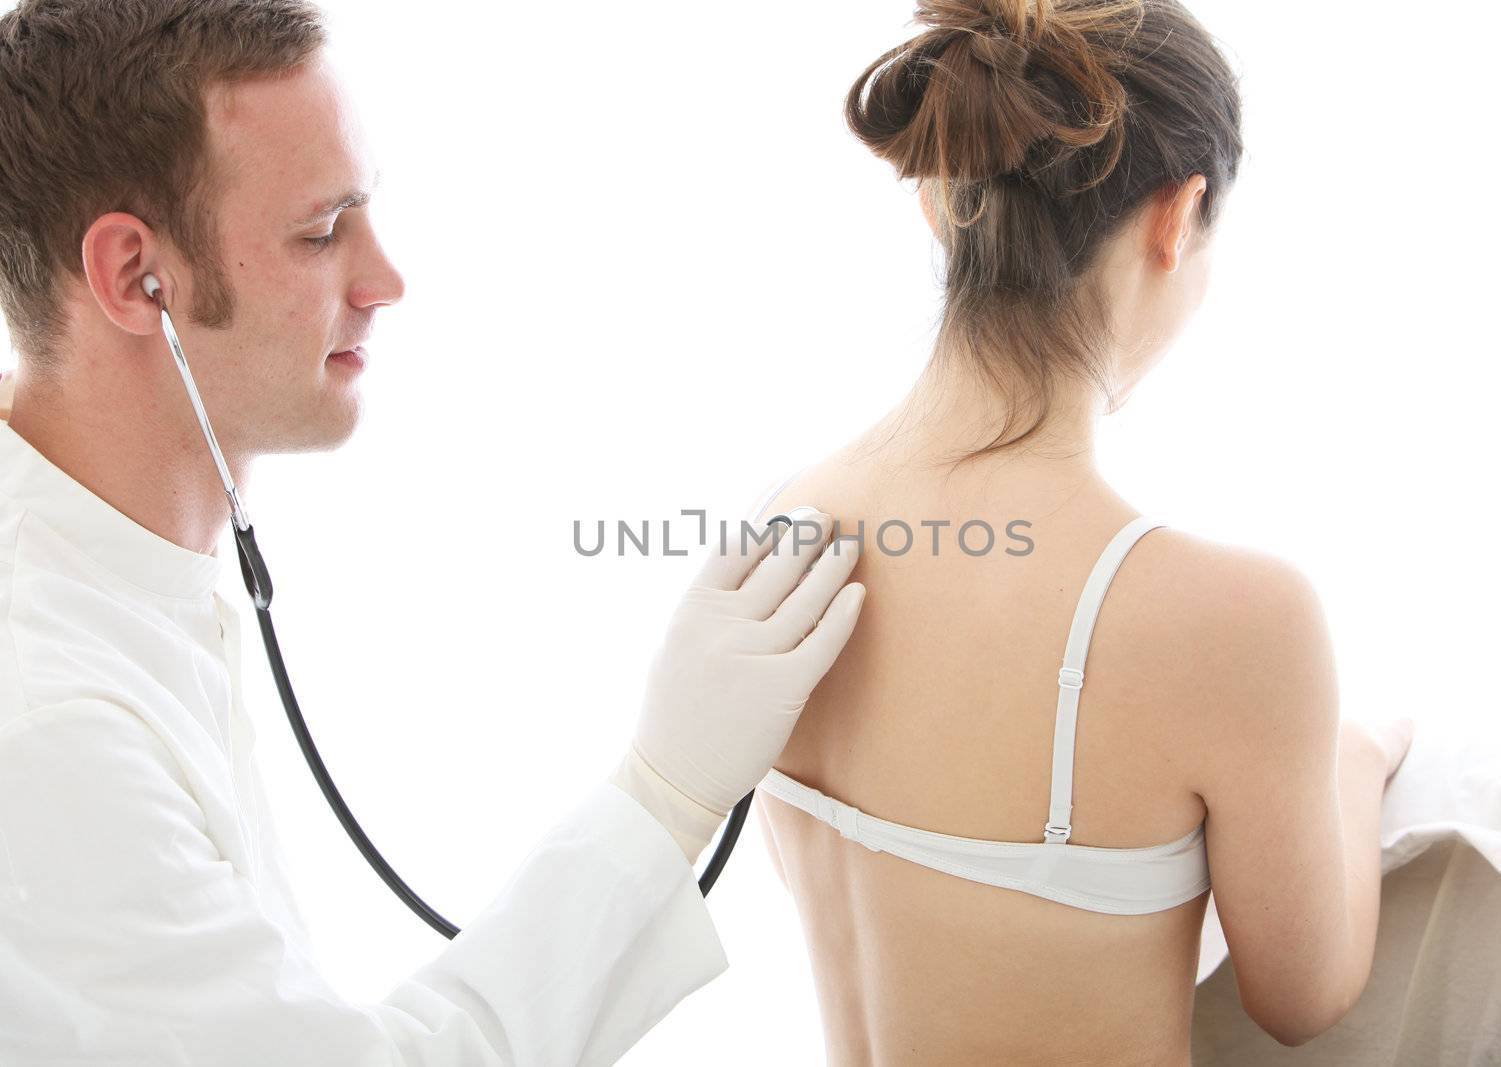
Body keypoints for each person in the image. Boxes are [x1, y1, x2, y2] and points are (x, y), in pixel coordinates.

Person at [0, 1, 864, 1063]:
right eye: (320, 231)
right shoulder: (43, 721)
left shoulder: (111, 581)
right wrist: (666, 793)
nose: (385, 280)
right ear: (139, 278)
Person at [746, 1, 1413, 1063]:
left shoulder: (788, 525)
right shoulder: (1231, 617)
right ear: (1177, 214)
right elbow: (1304, 991)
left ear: (936, 200)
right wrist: (1355, 752)